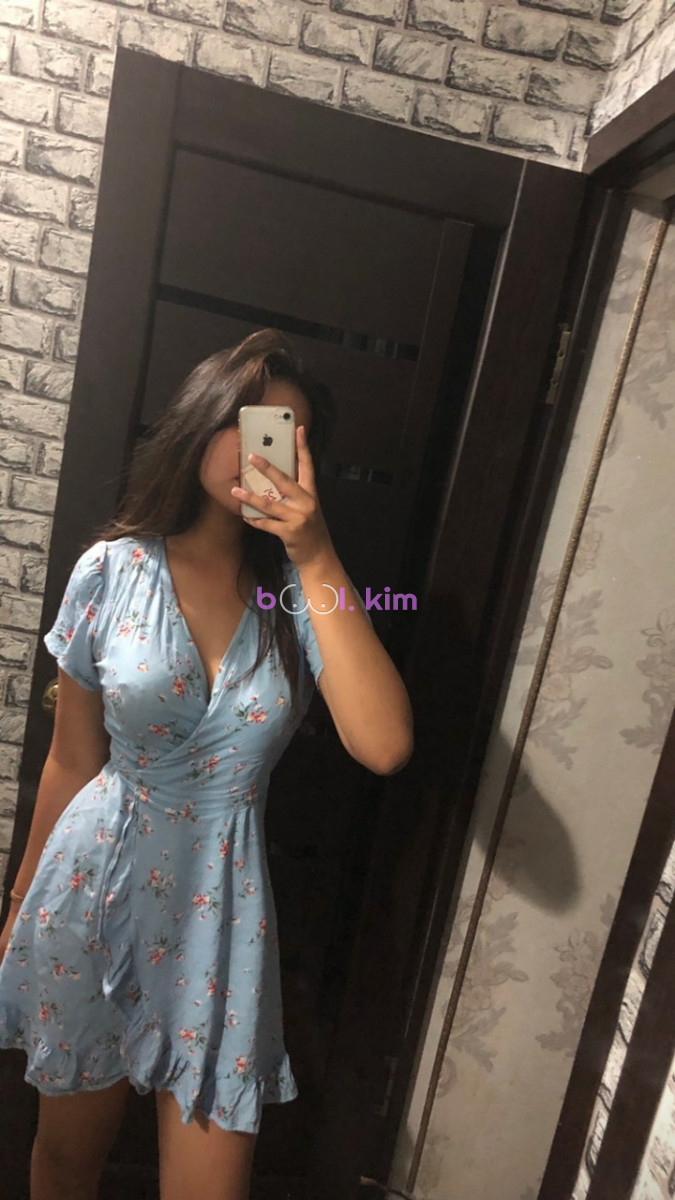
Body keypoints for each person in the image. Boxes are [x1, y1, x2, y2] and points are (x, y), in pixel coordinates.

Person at [0, 328, 414, 1200]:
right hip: (90, 887)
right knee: (64, 1160)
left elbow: (383, 744)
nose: (257, 448)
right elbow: (71, 760)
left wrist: (314, 551)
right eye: (244, 420)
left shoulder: (298, 598)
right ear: (200, 421)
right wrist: (17, 905)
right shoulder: (112, 569)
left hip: (219, 918)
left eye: (284, 434)